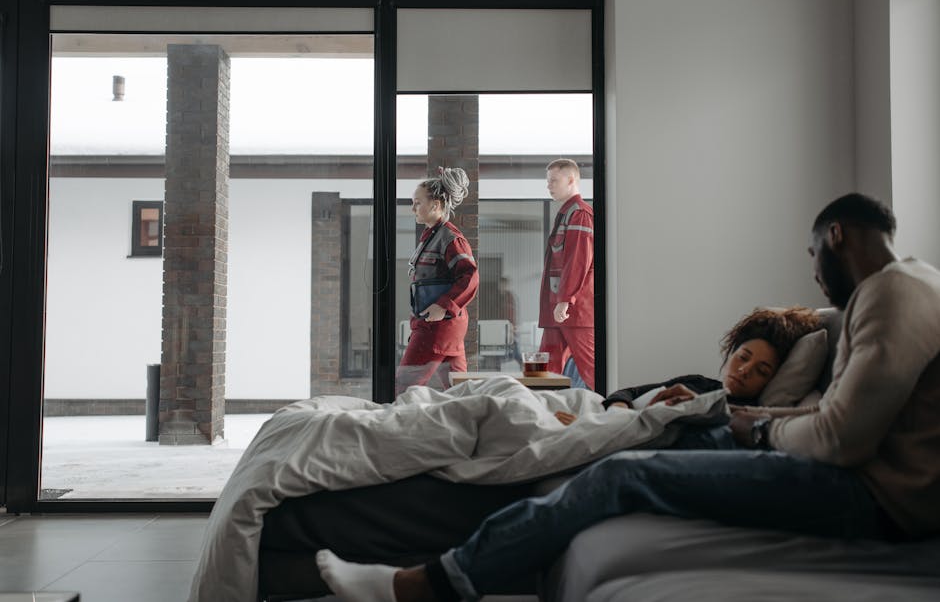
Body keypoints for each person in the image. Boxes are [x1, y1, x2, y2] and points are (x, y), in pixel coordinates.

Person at [316, 192, 940, 602]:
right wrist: (743, 416)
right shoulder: (902, 289)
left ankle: (432, 584)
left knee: (618, 477)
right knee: (664, 435)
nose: (811, 270)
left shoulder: (894, 293)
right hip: (857, 479)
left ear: (837, 235)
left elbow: (840, 438)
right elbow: (845, 418)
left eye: (812, 253)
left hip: (874, 500)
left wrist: (763, 429)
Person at [553, 306, 821, 426]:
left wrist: (596, 427)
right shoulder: (698, 382)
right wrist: (615, 414)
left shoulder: (743, 417)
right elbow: (627, 392)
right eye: (743, 356)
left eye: (761, 371)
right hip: (605, 418)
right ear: (731, 353)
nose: (744, 370)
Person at [395, 167, 479, 396]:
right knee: (460, 391)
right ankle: (471, 426)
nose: (413, 208)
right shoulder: (432, 236)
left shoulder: (450, 239)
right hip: (444, 327)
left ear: (435, 204)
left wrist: (443, 306)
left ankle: (399, 430)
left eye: (417, 202)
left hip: (437, 328)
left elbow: (470, 277)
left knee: (404, 388)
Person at [538, 158, 595, 390]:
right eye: (548, 181)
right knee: (545, 370)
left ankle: (615, 410)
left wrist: (565, 300)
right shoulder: (566, 214)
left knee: (592, 368)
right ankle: (544, 415)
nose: (549, 186)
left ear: (571, 180)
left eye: (554, 180)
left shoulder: (580, 214)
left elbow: (578, 262)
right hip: (559, 308)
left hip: (574, 310)